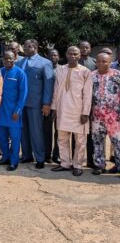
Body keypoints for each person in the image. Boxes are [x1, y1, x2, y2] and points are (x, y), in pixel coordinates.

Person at [51, 46, 92, 177]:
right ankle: (65, 163)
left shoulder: (85, 71)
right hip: (63, 110)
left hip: (79, 111)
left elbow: (88, 94)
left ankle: (78, 165)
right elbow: (56, 90)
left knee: (80, 140)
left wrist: (85, 112)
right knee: (62, 139)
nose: (73, 56)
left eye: (76, 54)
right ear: (66, 55)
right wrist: (54, 108)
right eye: (71, 54)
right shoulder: (60, 69)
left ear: (79, 56)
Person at [17, 39, 54, 169]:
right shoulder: (20, 62)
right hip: (21, 103)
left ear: (34, 47)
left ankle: (40, 158)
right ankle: (27, 155)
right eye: (24, 47)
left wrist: (46, 103)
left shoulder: (45, 63)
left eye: (26, 47)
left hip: (36, 103)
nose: (24, 49)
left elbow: (48, 85)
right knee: (23, 131)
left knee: (36, 131)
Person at [0, 51, 28, 171]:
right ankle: (5, 157)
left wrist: (17, 111)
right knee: (2, 137)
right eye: (5, 58)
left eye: (10, 58)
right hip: (1, 112)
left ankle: (14, 161)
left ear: (15, 58)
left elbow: (23, 94)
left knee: (15, 138)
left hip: (14, 113)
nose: (8, 61)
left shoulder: (20, 73)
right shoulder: (0, 71)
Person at [91, 53, 120, 175]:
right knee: (97, 141)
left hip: (115, 116)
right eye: (99, 61)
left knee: (118, 142)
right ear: (96, 62)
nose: (102, 63)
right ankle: (99, 165)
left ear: (110, 62)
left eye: (105, 61)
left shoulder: (117, 75)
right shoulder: (91, 76)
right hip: (96, 115)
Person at [78, 41, 96, 168]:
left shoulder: (95, 62)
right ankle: (76, 160)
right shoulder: (74, 62)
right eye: (82, 47)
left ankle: (91, 160)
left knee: (91, 133)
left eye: (86, 47)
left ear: (90, 49)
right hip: (76, 103)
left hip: (92, 102)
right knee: (76, 133)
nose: (84, 49)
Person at [46, 49, 61, 164]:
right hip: (47, 104)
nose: (53, 57)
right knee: (46, 131)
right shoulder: (45, 68)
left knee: (59, 131)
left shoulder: (62, 69)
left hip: (60, 105)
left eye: (55, 55)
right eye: (51, 55)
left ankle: (57, 155)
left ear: (59, 57)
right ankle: (47, 154)